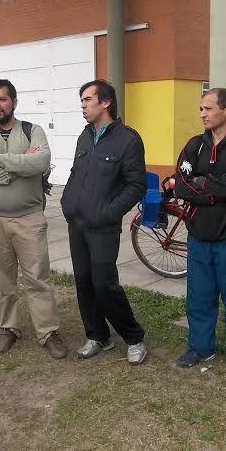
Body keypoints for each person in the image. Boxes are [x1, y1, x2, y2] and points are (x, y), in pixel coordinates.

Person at [0, 79, 67, 359]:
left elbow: (41, 162)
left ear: (14, 101)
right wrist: (19, 168)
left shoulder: (33, 131)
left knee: (38, 278)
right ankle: (8, 328)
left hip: (29, 219)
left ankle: (48, 332)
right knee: (2, 280)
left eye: (2, 99)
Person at [169, 88, 226, 384]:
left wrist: (201, 186)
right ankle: (201, 347)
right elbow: (180, 183)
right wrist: (212, 190)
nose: (202, 114)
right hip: (198, 235)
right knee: (199, 297)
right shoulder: (195, 145)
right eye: (201, 109)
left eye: (208, 108)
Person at [60, 79, 148, 365]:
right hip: (77, 223)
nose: (83, 106)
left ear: (106, 102)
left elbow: (136, 185)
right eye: (82, 100)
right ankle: (98, 335)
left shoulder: (128, 140)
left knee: (104, 284)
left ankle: (133, 337)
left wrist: (109, 212)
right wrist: (68, 201)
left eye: (87, 99)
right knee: (83, 282)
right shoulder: (84, 136)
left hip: (103, 226)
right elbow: (76, 172)